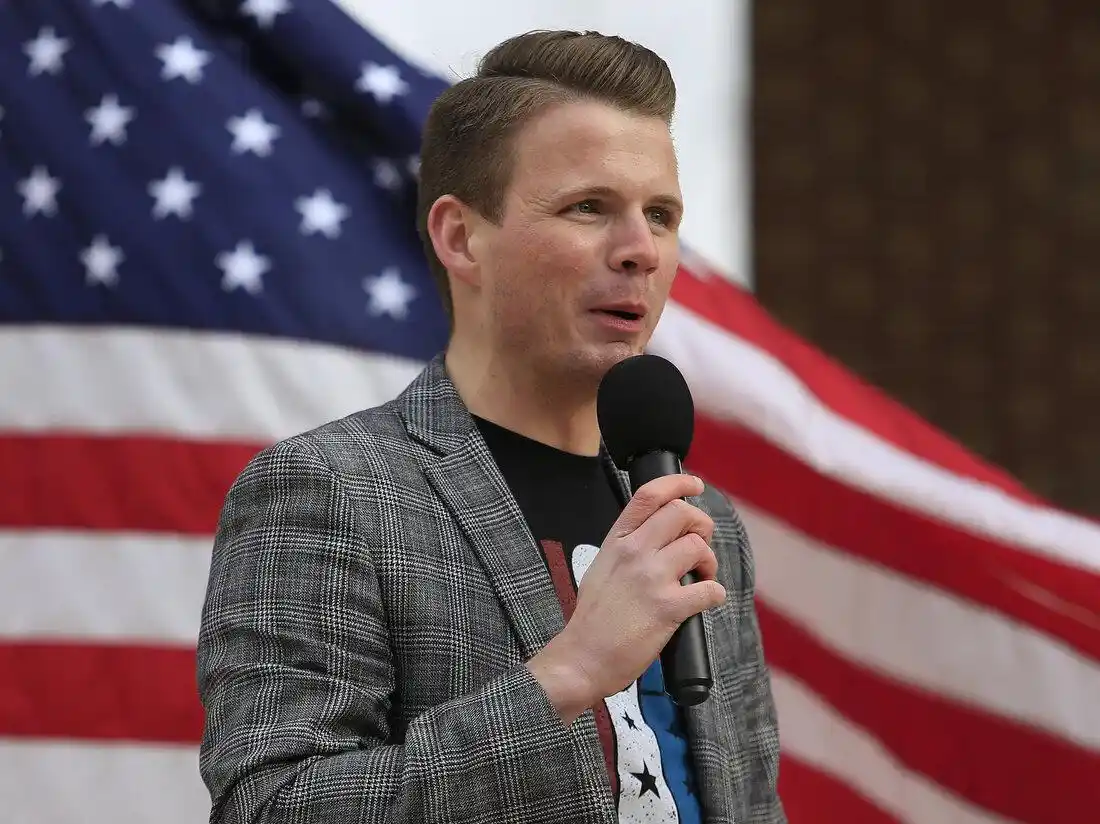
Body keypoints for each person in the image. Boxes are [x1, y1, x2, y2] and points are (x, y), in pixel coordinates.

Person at [196, 29, 785, 824]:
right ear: (461, 237)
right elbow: (273, 808)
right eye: (588, 207)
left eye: (661, 214)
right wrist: (568, 675)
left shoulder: (701, 522)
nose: (641, 250)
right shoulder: (332, 491)